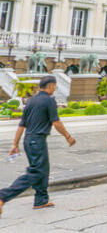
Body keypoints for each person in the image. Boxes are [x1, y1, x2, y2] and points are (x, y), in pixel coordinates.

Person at [0, 75, 76, 215]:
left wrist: (14, 144)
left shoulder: (31, 101)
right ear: (51, 86)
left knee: (43, 169)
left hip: (29, 140)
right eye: (55, 86)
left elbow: (22, 125)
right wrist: (68, 136)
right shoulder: (49, 100)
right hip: (37, 140)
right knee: (36, 172)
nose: (55, 89)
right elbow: (56, 122)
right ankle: (3, 196)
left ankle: (41, 200)